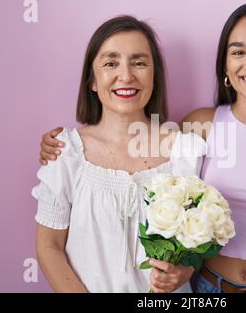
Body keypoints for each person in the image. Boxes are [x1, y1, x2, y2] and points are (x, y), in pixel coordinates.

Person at [39, 1, 246, 293]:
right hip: (210, 288)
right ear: (225, 65)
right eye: (238, 51)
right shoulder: (201, 128)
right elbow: (132, 139)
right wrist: (61, 147)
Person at [31, 15, 205, 293]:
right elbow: (49, 245)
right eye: (111, 63)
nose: (126, 75)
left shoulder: (186, 151)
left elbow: (200, 244)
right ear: (92, 81)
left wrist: (184, 271)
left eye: (139, 62)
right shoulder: (66, 152)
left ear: (154, 76)